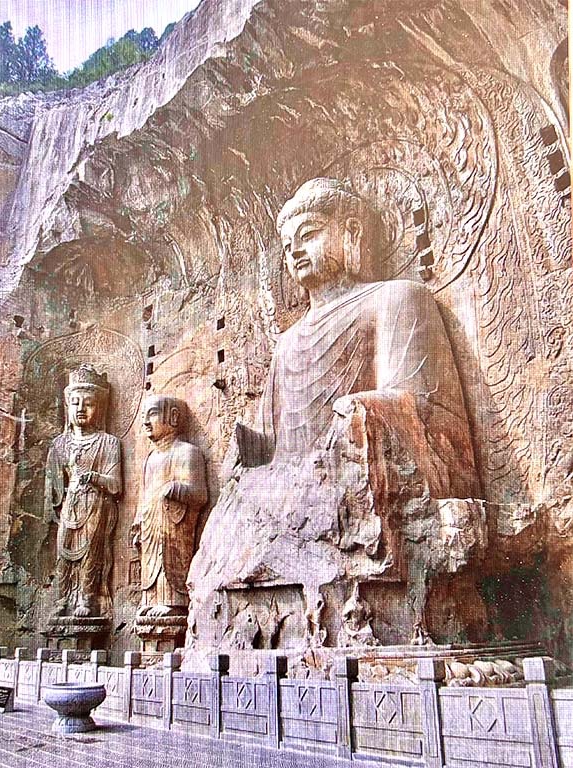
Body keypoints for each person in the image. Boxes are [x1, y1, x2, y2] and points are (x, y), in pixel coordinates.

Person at [187, 178, 479, 648]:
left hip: (351, 467)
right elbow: (271, 441)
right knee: (239, 495)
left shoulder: (396, 298)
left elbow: (426, 407)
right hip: (299, 484)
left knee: (340, 445)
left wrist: (362, 410)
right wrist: (247, 447)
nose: (295, 252)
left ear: (350, 232)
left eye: (308, 234)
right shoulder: (287, 344)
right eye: (287, 246)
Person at [45, 365, 121, 618]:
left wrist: (94, 477)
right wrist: (52, 503)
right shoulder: (60, 444)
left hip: (95, 504)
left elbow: (116, 485)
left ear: (99, 408)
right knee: (63, 552)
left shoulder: (108, 443)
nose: (81, 409)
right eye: (75, 403)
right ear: (67, 407)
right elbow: (53, 484)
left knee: (90, 552)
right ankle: (62, 598)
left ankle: (87, 599)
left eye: (88, 403)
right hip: (71, 503)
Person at [133, 395, 207, 618]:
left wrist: (176, 489)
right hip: (151, 521)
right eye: (143, 417)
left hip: (174, 523)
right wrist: (138, 523)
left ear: (173, 417)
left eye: (152, 414)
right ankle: (151, 598)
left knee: (170, 554)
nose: (146, 422)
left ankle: (174, 601)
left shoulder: (187, 452)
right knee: (150, 560)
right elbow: (143, 497)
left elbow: (200, 495)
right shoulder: (150, 459)